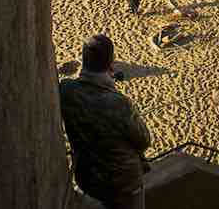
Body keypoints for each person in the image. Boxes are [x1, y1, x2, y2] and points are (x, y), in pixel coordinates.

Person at [60, 34, 151, 209]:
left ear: (83, 60)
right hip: (123, 183)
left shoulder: (65, 91)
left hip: (88, 179)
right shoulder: (118, 103)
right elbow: (144, 141)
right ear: (111, 64)